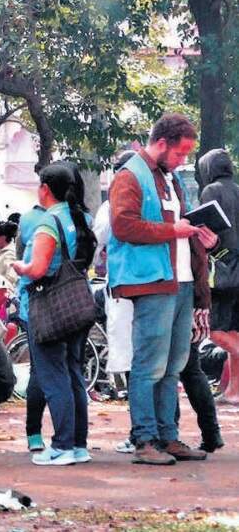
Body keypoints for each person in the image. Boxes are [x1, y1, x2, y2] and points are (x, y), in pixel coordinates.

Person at [109, 113, 216, 465]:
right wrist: (174, 231)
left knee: (173, 366)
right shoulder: (130, 176)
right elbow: (123, 225)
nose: (183, 160)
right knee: (149, 365)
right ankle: (144, 439)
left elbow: (182, 224)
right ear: (161, 143)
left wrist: (202, 236)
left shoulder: (170, 178)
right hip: (152, 281)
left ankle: (168, 436)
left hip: (180, 281)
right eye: (180, 152)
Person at [11, 163, 98, 466]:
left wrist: (19, 267)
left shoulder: (49, 222)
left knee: (53, 376)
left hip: (50, 307)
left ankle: (62, 445)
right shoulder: (82, 217)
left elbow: (37, 269)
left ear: (45, 189)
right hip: (78, 304)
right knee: (73, 374)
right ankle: (78, 444)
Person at [199, 148, 239, 406]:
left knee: (213, 330)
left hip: (223, 268)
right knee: (235, 330)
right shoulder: (237, 189)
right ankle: (234, 391)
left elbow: (207, 232)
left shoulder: (210, 191)